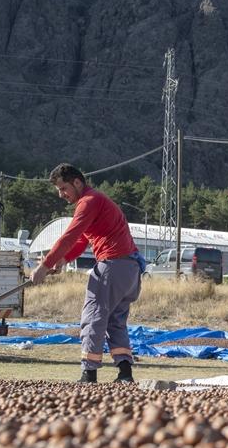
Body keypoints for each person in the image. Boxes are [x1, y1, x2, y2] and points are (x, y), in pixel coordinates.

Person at [30, 164, 146, 384]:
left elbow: (70, 235)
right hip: (130, 270)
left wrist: (44, 266)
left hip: (112, 266)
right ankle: (124, 372)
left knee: (93, 317)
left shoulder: (88, 202)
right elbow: (82, 239)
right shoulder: (98, 201)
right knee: (115, 321)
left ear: (76, 182)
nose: (61, 195)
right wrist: (63, 259)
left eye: (63, 188)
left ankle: (88, 374)